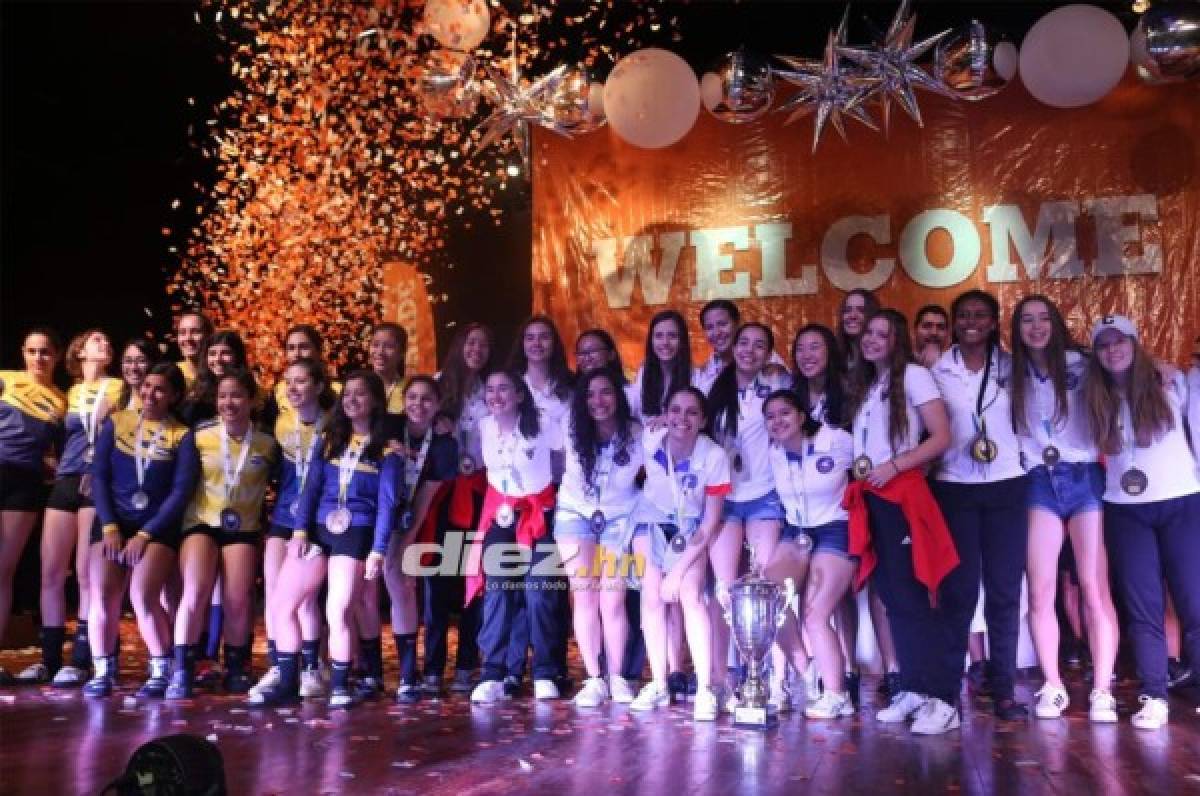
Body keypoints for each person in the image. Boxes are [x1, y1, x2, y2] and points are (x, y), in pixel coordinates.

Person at [249, 370, 402, 708]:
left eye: (360, 394)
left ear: (375, 400)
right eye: (347, 394)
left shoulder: (387, 452)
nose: (351, 400)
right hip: (317, 529)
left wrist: (377, 551)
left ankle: (339, 685)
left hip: (356, 532)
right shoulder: (329, 440)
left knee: (338, 608)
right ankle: (288, 680)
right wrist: (300, 530)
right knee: (281, 604)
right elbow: (310, 490)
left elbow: (387, 507)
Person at [844, 309, 957, 735]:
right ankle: (910, 686)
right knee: (892, 597)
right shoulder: (867, 384)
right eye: (868, 332)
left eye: (881, 333)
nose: (872, 339)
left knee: (915, 595)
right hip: (872, 497)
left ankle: (938, 696)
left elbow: (942, 437)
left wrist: (895, 465)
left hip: (902, 493)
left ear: (897, 340)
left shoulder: (913, 375)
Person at [1086, 314, 1200, 730]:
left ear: (1135, 345)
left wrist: (1169, 369)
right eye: (1103, 344)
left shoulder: (1173, 384)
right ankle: (1154, 694)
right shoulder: (1093, 398)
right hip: (1125, 510)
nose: (1112, 350)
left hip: (1182, 502)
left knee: (1194, 602)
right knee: (1143, 608)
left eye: (1120, 342)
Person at [1009, 295, 1119, 722]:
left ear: (1055, 322)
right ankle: (1053, 685)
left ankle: (1103, 689)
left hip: (1084, 474)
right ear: (1017, 330)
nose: (1036, 327)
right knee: (1040, 589)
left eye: (1043, 319)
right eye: (1027, 321)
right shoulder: (1010, 371)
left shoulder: (1084, 362)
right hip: (1039, 480)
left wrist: (1163, 372)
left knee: (1093, 586)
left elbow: (1128, 374)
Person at [929, 290, 1030, 722]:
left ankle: (1003, 687)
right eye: (964, 315)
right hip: (955, 487)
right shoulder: (936, 370)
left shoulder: (1012, 367)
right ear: (954, 323)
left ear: (993, 323)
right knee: (960, 592)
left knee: (1005, 592)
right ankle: (949, 688)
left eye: (981, 316)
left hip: (1008, 484)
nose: (972, 322)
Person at [792, 322, 899, 703]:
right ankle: (838, 671)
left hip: (860, 498)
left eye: (815, 348)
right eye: (801, 348)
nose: (807, 356)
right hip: (814, 513)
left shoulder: (851, 394)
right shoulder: (792, 399)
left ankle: (878, 670)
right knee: (829, 598)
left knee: (867, 591)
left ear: (830, 353)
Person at [82, 364, 193, 697]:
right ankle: (103, 668)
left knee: (142, 595)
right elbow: (99, 477)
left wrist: (145, 535)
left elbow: (181, 492)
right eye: (146, 386)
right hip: (113, 522)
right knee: (101, 595)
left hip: (156, 528)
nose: (150, 394)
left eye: (160, 389)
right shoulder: (117, 422)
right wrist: (110, 526)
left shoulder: (182, 435)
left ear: (174, 395)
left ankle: (160, 666)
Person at [167, 369, 278, 698]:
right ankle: (182, 668)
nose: (229, 402)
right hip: (201, 522)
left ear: (251, 400)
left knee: (237, 599)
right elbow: (180, 483)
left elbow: (286, 484)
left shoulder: (267, 444)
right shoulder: (199, 436)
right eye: (223, 396)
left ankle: (237, 667)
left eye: (237, 396)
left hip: (243, 528)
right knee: (197, 589)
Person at [628, 386, 730, 721]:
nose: (681, 419)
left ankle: (704, 689)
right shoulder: (651, 440)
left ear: (702, 420)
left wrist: (679, 569)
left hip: (692, 528)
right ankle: (658, 683)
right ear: (664, 414)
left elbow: (711, 521)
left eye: (690, 412)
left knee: (690, 594)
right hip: (650, 520)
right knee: (651, 597)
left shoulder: (713, 456)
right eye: (675, 410)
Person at [468, 370, 566, 704]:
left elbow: (565, 459)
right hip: (502, 519)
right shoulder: (483, 427)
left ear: (520, 394)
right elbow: (473, 463)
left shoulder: (544, 423)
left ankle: (544, 671)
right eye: (490, 389)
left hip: (540, 517)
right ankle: (493, 673)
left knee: (540, 593)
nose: (496, 396)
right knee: (497, 592)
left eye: (504, 389)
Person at [32, 330, 122, 686]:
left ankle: (81, 659)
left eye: (106, 341)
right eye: (96, 340)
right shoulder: (66, 393)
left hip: (95, 482)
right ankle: (50, 660)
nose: (104, 343)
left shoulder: (118, 387)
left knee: (86, 574)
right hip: (66, 479)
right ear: (80, 350)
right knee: (51, 573)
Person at [705, 323, 786, 707]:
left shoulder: (778, 387)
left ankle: (770, 677)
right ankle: (719, 681)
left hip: (763, 497)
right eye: (743, 343)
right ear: (732, 347)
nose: (749, 351)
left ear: (770, 352)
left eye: (759, 345)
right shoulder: (714, 389)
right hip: (724, 498)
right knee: (722, 592)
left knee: (764, 586)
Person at [763, 390, 856, 718]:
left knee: (815, 613)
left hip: (835, 528)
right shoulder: (772, 453)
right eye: (771, 416)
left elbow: (870, 468)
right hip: (796, 532)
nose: (778, 421)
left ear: (802, 415)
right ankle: (807, 671)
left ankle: (836, 694)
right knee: (767, 601)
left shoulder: (838, 441)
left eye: (785, 413)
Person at [555, 369, 642, 707]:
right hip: (575, 515)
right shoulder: (569, 426)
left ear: (618, 397)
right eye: (590, 395)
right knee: (585, 596)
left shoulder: (636, 433)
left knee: (613, 599)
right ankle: (594, 679)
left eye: (605, 393)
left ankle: (618, 677)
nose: (598, 401)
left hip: (620, 518)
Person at [251, 357, 335, 701]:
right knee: (274, 589)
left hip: (316, 520)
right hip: (284, 516)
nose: (293, 388)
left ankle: (312, 667)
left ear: (318, 385)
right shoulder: (278, 423)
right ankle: (280, 663)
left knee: (305, 598)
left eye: (302, 381)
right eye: (289, 382)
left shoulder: (334, 426)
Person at [505, 316, 574, 691]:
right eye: (529, 337)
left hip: (556, 498)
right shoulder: (509, 386)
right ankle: (513, 670)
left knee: (546, 587)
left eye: (544, 337)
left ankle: (549, 668)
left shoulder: (568, 389)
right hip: (512, 501)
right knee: (512, 585)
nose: (536, 343)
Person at [382, 376, 458, 703]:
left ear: (438, 405)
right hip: (373, 516)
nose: (418, 404)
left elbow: (424, 500)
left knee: (401, 584)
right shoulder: (387, 426)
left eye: (427, 399)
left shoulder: (444, 444)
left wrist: (405, 542)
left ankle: (408, 675)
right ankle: (359, 671)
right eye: (412, 397)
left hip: (413, 520)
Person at [427, 323, 493, 693]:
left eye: (484, 344)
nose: (477, 349)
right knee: (437, 583)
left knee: (473, 580)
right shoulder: (438, 385)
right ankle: (433, 667)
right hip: (443, 494)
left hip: (481, 493)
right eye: (471, 342)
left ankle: (467, 664)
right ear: (459, 346)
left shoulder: (493, 390)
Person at [0, 329, 66, 684]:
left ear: (56, 356)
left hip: (24, 486)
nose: (38, 358)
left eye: (45, 352)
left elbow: (57, 454)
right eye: (32, 351)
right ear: (22, 353)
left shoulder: (62, 401)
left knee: (3, 570)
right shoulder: (5, 380)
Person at [630, 310, 693, 426]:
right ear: (651, 340)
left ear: (682, 341)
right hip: (648, 440)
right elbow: (635, 411)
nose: (665, 342)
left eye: (672, 336)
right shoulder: (643, 372)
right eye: (658, 336)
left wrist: (668, 418)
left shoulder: (696, 376)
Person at [367, 322, 408, 422]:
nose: (380, 352)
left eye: (389, 346)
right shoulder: (357, 387)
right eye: (375, 345)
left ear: (402, 353)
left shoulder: (409, 390)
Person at [836, 288, 881, 372]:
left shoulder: (882, 358)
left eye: (861, 310)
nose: (852, 315)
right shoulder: (834, 355)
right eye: (847, 310)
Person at [117, 339, 158, 411]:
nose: (133, 367)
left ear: (153, 364)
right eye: (128, 361)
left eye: (141, 361)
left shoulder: (160, 403)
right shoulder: (115, 402)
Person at [175, 311, 213, 388]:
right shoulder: (170, 373)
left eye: (195, 332)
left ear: (209, 336)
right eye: (182, 333)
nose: (188, 338)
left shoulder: (220, 374)